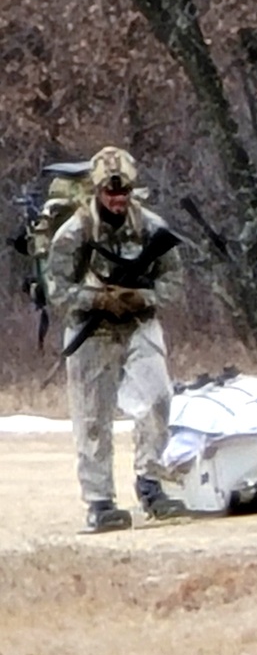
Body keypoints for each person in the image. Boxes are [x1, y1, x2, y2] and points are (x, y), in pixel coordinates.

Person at [46, 146, 187, 532]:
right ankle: (100, 500)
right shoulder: (74, 232)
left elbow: (174, 281)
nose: (117, 199)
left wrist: (142, 297)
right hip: (92, 328)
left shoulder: (152, 228)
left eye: (123, 191)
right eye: (110, 192)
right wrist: (99, 299)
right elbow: (57, 289)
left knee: (158, 397)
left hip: (139, 323)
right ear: (97, 191)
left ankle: (150, 481)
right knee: (93, 417)